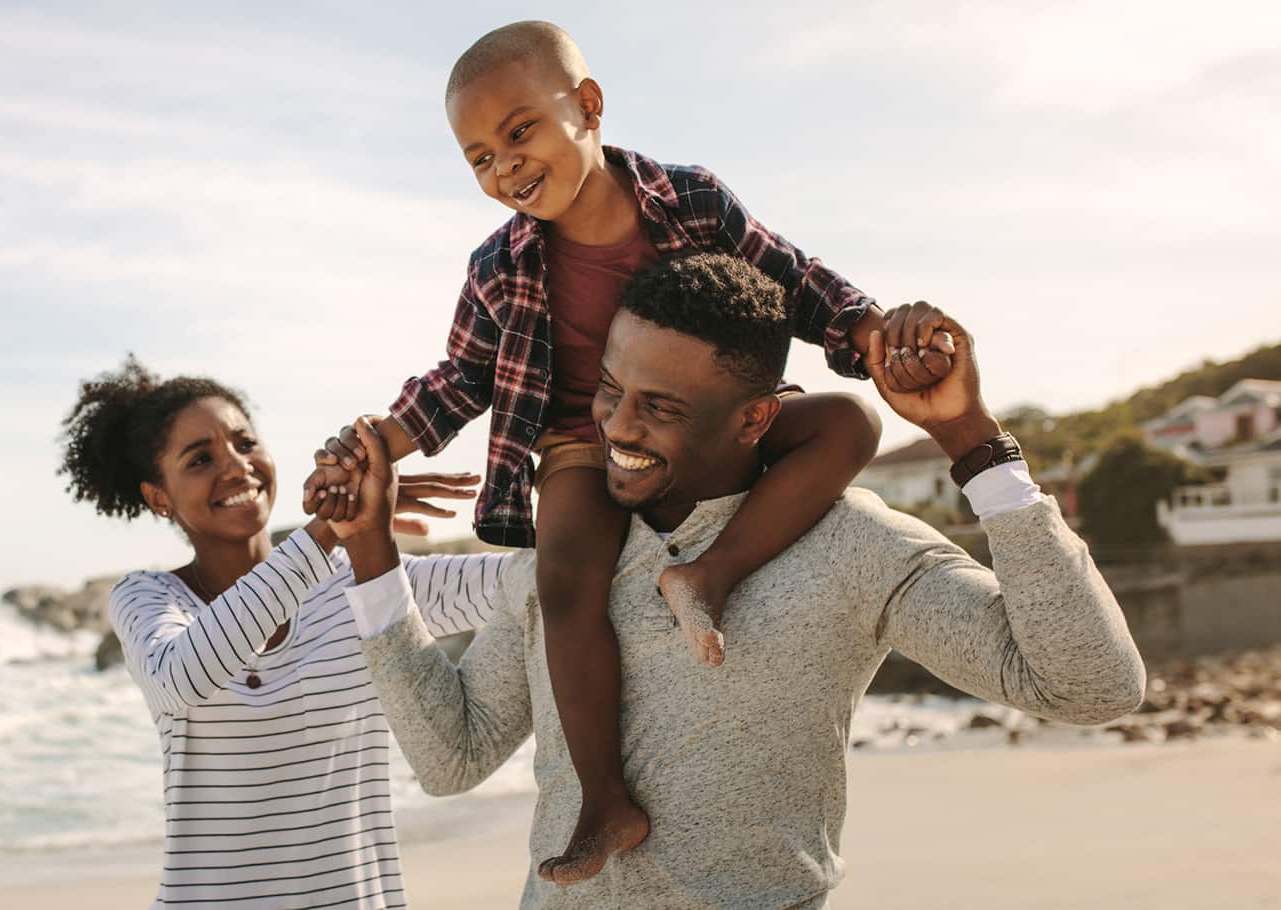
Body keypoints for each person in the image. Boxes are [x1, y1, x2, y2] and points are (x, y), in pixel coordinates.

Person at [305, 19, 955, 882]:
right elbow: (460, 377)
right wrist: (375, 442)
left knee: (850, 426)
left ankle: (708, 577)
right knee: (565, 579)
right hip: (581, 439)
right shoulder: (498, 265)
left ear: (587, 105)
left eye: (518, 132)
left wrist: (874, 332)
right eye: (478, 159)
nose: (504, 169)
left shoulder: (690, 200)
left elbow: (794, 279)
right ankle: (605, 802)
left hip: (703, 426)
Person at [333, 254, 1146, 909]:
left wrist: (970, 439)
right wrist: (371, 552)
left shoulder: (850, 544)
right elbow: (452, 759)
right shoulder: (567, 556)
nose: (617, 426)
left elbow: (1091, 685)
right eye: (611, 391)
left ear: (756, 417)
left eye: (661, 407)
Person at [56, 356, 512, 909]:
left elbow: (522, 586)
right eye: (200, 459)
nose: (236, 467)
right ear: (159, 496)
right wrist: (329, 530)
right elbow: (179, 678)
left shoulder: (364, 584)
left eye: (245, 444)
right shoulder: (148, 597)